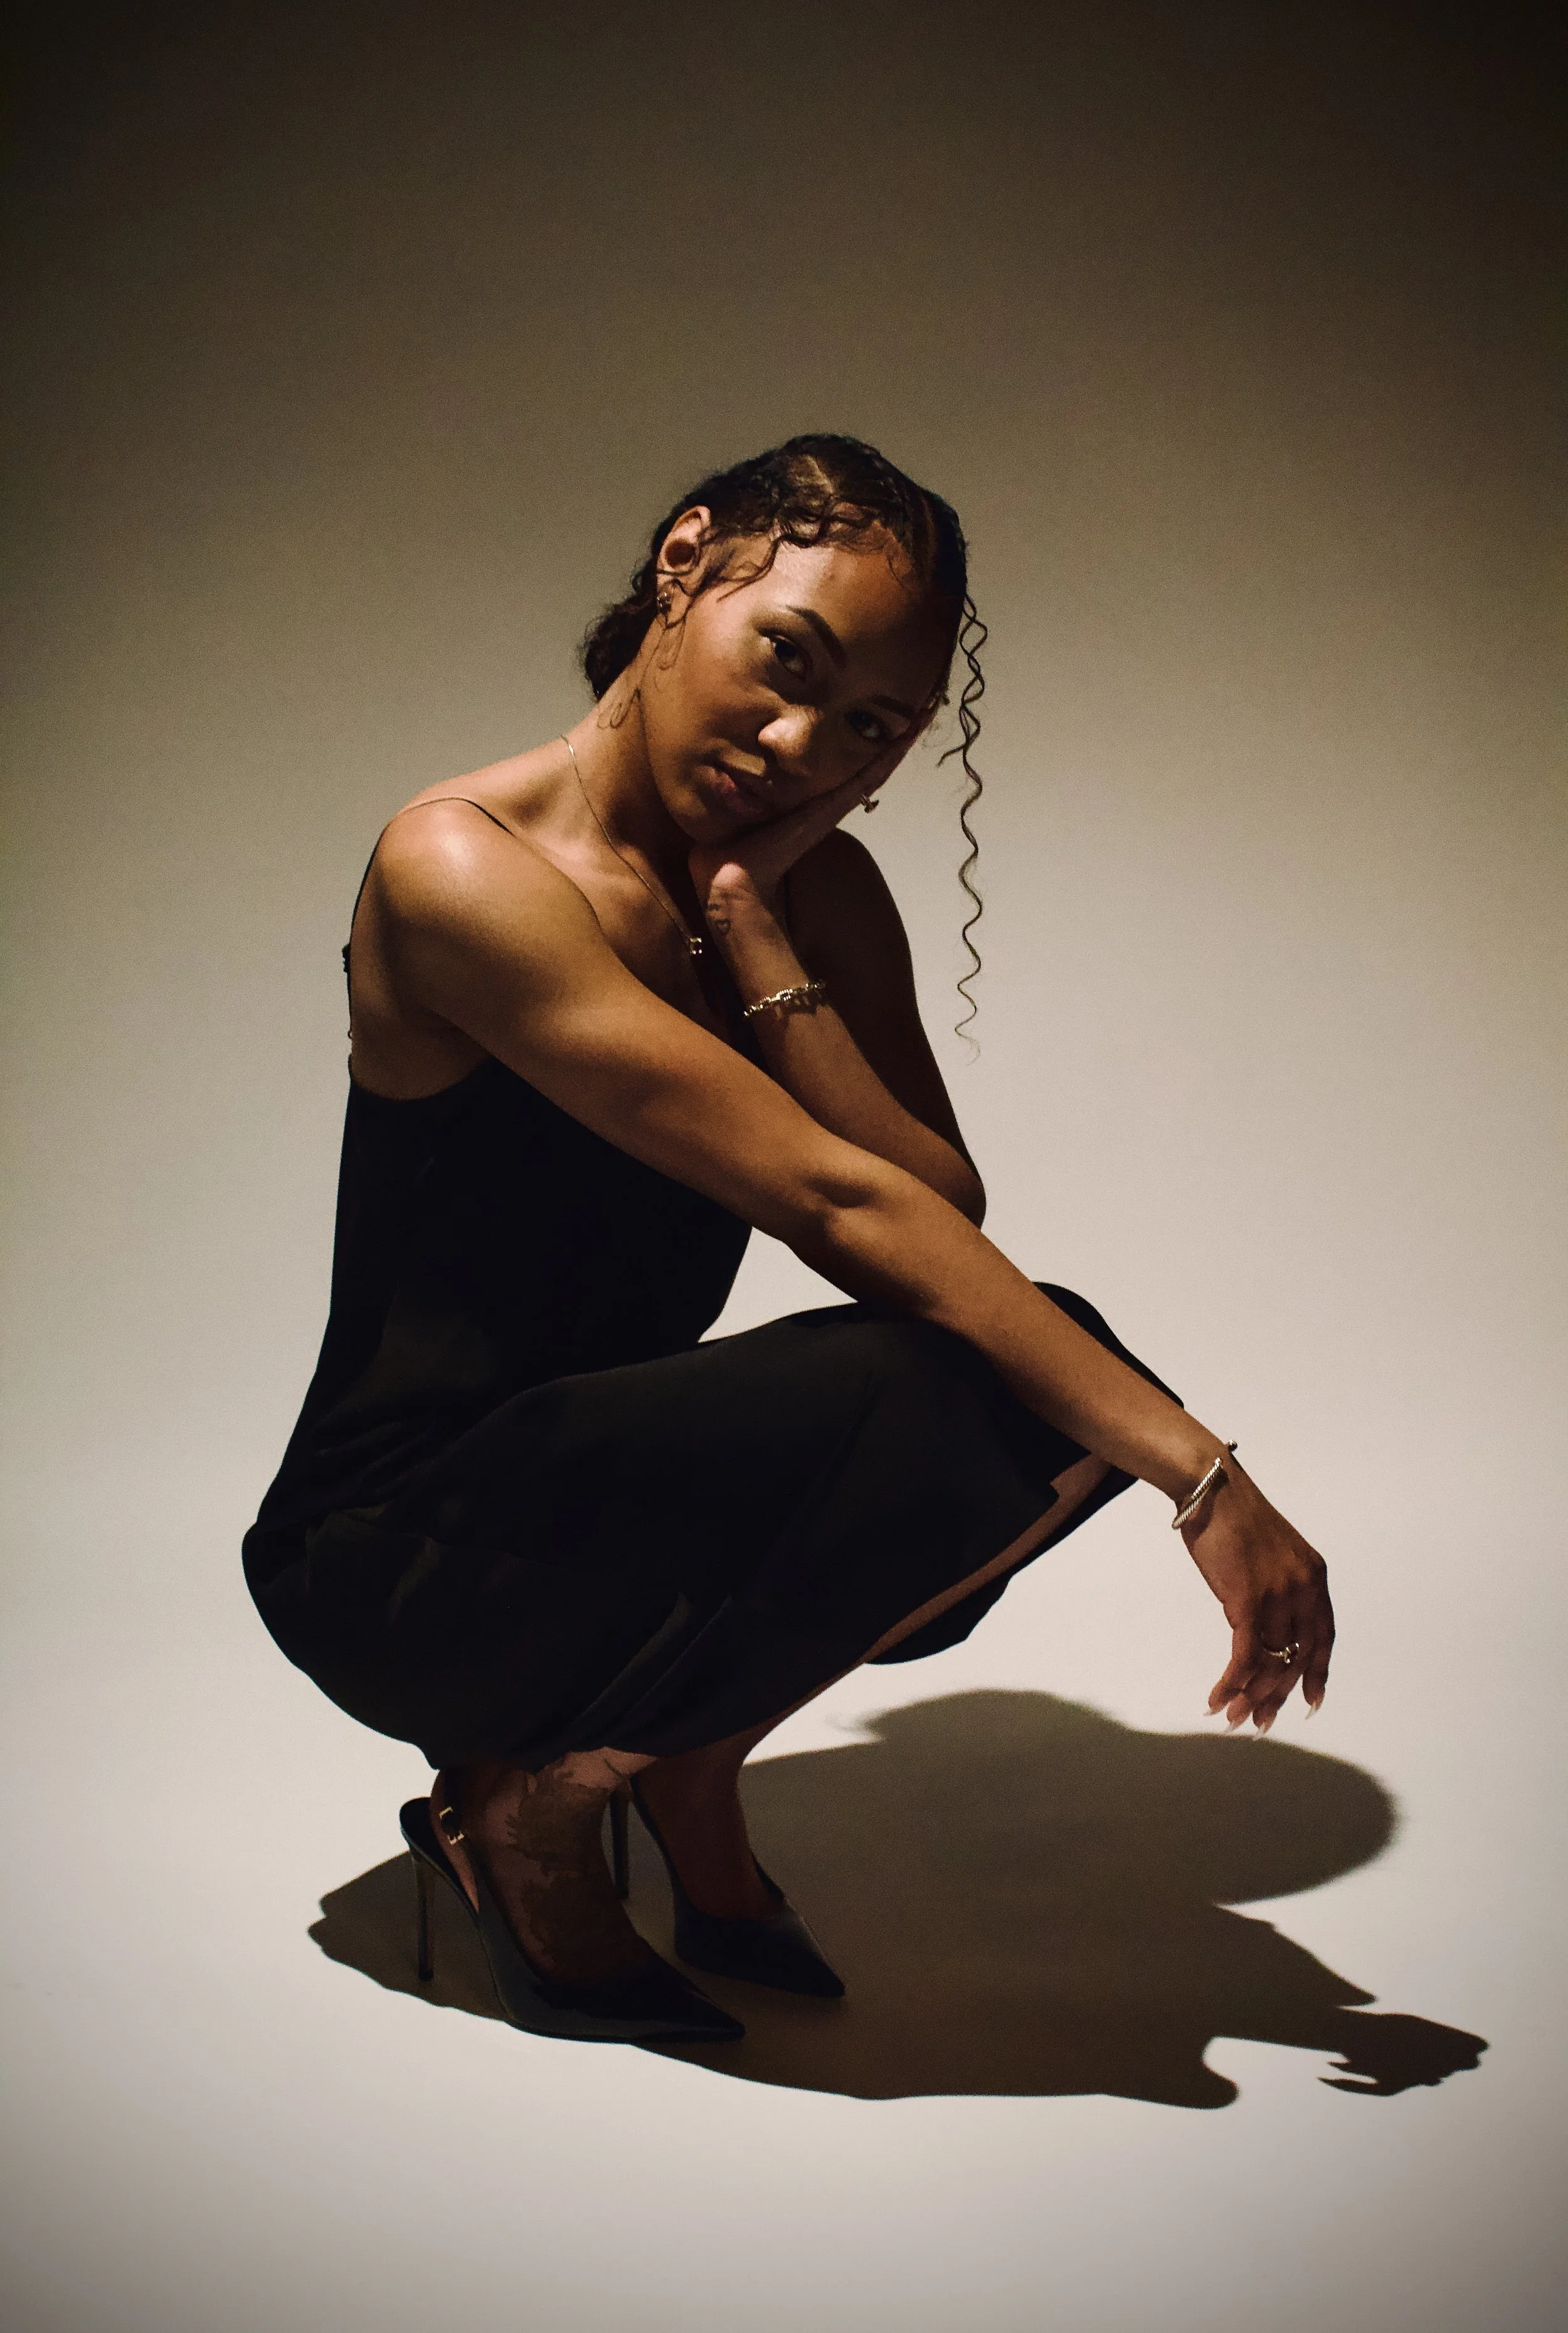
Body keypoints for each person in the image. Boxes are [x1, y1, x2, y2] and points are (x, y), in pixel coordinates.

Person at [243, 433, 1333, 2046]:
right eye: (787, 661)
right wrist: (1202, 1474)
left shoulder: (804, 897)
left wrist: (758, 934)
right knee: (1024, 1381)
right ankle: (523, 1814)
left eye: (871, 727)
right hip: (401, 1545)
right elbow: (836, 1206)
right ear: (686, 563)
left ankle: (682, 1762)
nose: (801, 743)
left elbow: (928, 1205)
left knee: (1041, 1361)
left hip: (599, 1484)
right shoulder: (464, 868)